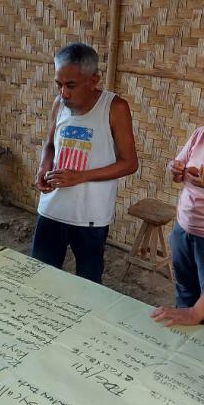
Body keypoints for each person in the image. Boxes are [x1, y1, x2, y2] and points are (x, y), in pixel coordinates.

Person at [31, 42, 138, 283]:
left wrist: (81, 176)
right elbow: (50, 145)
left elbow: (130, 163)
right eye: (58, 84)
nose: (63, 93)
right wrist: (43, 167)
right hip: (52, 208)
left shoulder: (114, 108)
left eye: (71, 85)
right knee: (39, 277)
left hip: (90, 216)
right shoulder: (59, 104)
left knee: (88, 285)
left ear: (93, 80)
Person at [151, 128, 204, 327]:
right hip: (184, 228)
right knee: (185, 292)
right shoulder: (200, 135)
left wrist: (194, 314)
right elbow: (177, 174)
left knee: (197, 311)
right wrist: (175, 168)